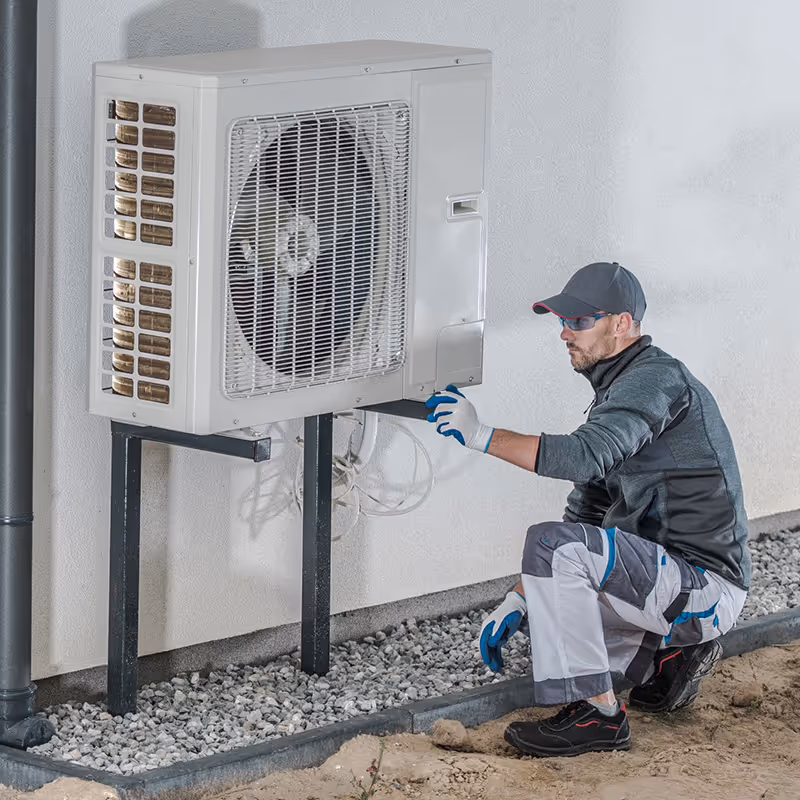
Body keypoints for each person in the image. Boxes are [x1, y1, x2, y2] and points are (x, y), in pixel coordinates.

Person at [425, 261, 750, 758]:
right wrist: (521, 596)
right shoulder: (618, 392)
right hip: (666, 580)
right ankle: (669, 661)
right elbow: (587, 510)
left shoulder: (655, 380)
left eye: (579, 322)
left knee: (551, 551)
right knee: (548, 605)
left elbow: (583, 455)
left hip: (703, 585)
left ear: (622, 324)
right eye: (562, 322)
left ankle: (599, 717)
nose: (564, 334)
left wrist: (480, 435)